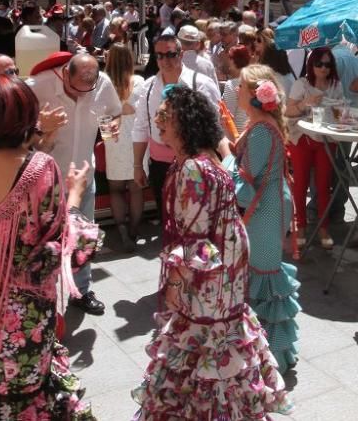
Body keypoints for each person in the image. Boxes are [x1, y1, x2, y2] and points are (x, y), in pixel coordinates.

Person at [131, 85, 291, 418]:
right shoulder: (207, 157)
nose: (158, 120)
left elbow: (194, 236)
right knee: (225, 330)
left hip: (212, 263)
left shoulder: (190, 168)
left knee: (199, 333)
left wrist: (176, 283)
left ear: (185, 122)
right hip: (228, 256)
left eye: (166, 115)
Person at [0, 76, 100, 419]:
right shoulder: (39, 169)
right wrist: (75, 194)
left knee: (0, 375)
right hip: (26, 305)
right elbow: (65, 244)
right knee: (28, 388)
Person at [28, 53, 122, 316]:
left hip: (84, 177)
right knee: (44, 241)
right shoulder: (38, 85)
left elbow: (114, 112)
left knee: (82, 240)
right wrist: (39, 127)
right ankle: (44, 295)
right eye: (75, 89)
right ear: (65, 74)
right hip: (45, 181)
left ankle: (81, 291)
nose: (82, 95)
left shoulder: (102, 84)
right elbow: (16, 126)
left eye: (87, 90)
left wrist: (111, 127)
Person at [232, 64, 300, 373]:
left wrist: (223, 166)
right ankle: (272, 354)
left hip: (265, 211)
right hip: (271, 206)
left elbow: (246, 182)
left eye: (242, 87)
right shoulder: (261, 124)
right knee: (264, 276)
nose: (236, 90)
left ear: (256, 95)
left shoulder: (259, 129)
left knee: (264, 280)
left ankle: (268, 359)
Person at [133, 34, 222, 222]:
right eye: (159, 55)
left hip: (196, 163)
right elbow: (140, 127)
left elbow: (215, 127)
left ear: (181, 55)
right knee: (167, 220)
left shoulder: (202, 84)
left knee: (198, 220)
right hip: (160, 166)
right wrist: (137, 165)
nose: (165, 60)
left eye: (170, 54)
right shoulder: (148, 87)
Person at [285, 47, 342, 249]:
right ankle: (301, 226)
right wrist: (305, 104)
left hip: (326, 139)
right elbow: (288, 112)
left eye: (328, 64)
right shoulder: (302, 84)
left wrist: (340, 111)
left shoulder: (336, 85)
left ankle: (324, 229)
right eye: (319, 64)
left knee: (323, 185)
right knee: (300, 185)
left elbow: (340, 114)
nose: (323, 68)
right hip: (302, 138)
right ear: (311, 64)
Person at [104, 43, 145, 252]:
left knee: (116, 189)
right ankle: (134, 230)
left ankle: (121, 229)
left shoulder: (103, 83)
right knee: (136, 188)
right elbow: (140, 110)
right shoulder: (139, 81)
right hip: (136, 135)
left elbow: (101, 114)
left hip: (113, 135)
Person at [221, 44, 253, 136]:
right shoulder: (254, 80)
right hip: (251, 131)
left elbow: (228, 115)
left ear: (233, 60)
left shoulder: (231, 84)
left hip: (237, 135)